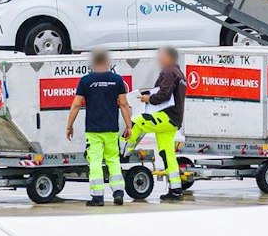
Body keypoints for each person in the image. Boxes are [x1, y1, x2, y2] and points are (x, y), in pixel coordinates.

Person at [65, 49, 132, 206]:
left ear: (93, 62)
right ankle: (118, 192)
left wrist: (69, 126)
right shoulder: (117, 80)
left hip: (94, 130)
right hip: (111, 129)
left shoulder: (86, 81)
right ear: (107, 62)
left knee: (95, 161)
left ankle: (97, 196)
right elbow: (123, 104)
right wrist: (129, 126)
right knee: (113, 160)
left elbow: (76, 104)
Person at [124, 46, 186, 201]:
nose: (159, 59)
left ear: (170, 58)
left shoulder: (169, 72)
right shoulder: (178, 73)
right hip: (174, 120)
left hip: (166, 116)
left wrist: (148, 99)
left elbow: (163, 94)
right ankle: (175, 189)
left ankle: (123, 151)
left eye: (161, 56)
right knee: (167, 153)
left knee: (138, 121)